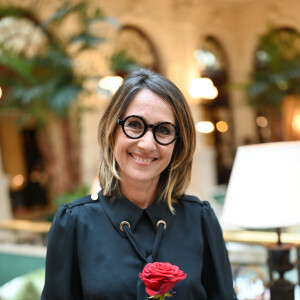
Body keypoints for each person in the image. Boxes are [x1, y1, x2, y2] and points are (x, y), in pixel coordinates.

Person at [41, 69, 237, 300]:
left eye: (164, 130)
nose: (146, 144)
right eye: (134, 125)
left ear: (178, 145)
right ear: (111, 132)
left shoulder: (200, 219)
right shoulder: (73, 223)